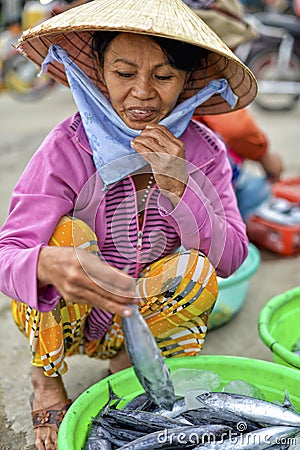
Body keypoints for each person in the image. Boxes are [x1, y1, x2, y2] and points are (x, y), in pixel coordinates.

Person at [0, 0, 257, 448]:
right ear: (99, 72)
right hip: (70, 314)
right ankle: (46, 377)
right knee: (64, 238)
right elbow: (8, 254)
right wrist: (46, 263)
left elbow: (232, 257)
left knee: (196, 272)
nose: (142, 93)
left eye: (163, 76)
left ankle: (125, 364)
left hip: (145, 316)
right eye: (123, 73)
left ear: (188, 81)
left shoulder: (205, 153)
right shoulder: (68, 146)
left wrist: (181, 187)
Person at [186, 0, 284, 221]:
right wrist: (265, 155)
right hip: (199, 186)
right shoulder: (206, 72)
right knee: (256, 191)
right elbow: (237, 129)